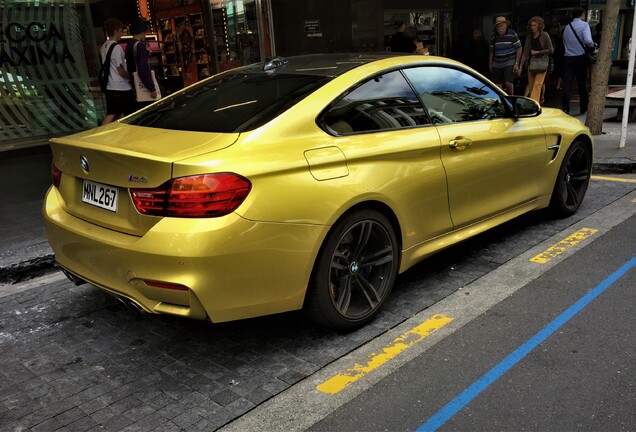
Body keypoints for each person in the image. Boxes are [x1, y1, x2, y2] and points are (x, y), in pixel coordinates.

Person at [100, 18, 133, 125]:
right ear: (115, 31)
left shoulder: (103, 47)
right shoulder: (117, 48)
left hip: (110, 86)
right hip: (121, 87)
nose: (121, 34)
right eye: (120, 31)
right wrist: (130, 77)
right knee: (124, 113)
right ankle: (100, 133)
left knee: (115, 113)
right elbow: (120, 69)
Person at [562, 7, 595, 115]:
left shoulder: (567, 27)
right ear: (582, 14)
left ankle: (565, 107)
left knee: (567, 83)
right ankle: (583, 107)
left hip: (568, 58)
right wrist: (592, 47)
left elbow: (565, 42)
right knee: (582, 83)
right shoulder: (584, 25)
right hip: (580, 58)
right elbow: (587, 40)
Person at [519, 16, 553, 105]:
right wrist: (521, 65)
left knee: (537, 85)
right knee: (531, 85)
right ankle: (533, 103)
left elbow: (551, 50)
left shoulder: (544, 35)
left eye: (535, 25)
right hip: (532, 63)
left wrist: (538, 52)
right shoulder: (529, 37)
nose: (533, 27)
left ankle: (534, 104)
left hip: (542, 62)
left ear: (539, 26)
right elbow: (526, 51)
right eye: (531, 25)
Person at [125, 19, 158, 109]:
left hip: (134, 84)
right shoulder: (140, 46)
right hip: (143, 86)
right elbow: (143, 67)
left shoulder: (129, 45)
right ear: (141, 32)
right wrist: (151, 88)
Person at [489, 16, 522, 94]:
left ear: (506, 25)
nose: (499, 28)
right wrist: (490, 64)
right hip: (497, 62)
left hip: (509, 61)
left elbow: (519, 48)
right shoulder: (493, 36)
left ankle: (511, 98)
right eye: (498, 26)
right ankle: (503, 100)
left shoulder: (512, 34)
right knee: (497, 85)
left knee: (508, 83)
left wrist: (517, 63)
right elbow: (491, 51)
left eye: (501, 26)